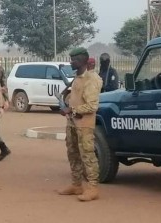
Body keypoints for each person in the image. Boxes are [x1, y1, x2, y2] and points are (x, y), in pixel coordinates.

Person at [58, 47, 103, 202]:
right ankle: (77, 184)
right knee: (73, 154)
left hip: (84, 124)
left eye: (74, 59)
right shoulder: (77, 77)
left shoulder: (92, 79)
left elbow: (92, 106)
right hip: (72, 122)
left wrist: (71, 109)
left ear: (82, 61)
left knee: (88, 155)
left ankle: (92, 188)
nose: (71, 62)